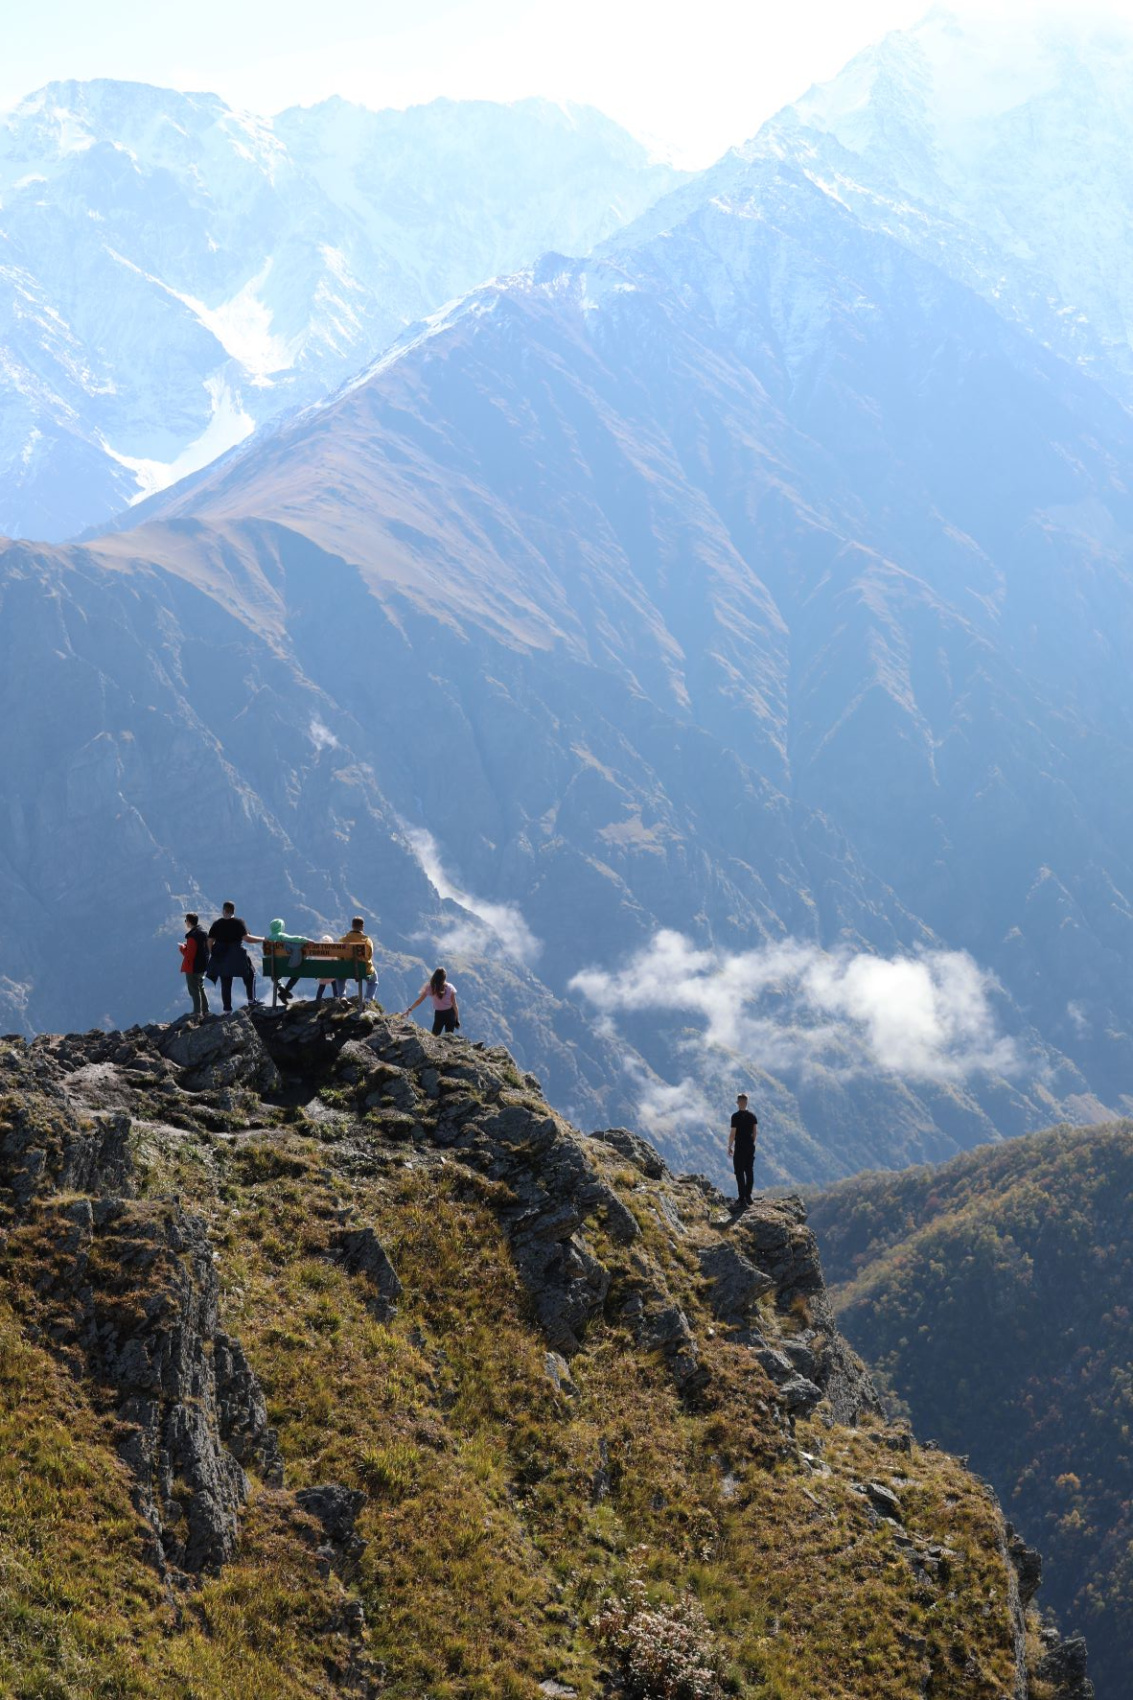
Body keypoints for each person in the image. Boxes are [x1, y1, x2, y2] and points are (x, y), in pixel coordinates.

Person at [206, 902, 262, 1013]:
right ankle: (251, 1001)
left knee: (226, 981)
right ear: (233, 910)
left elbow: (210, 941)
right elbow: (247, 938)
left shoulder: (217, 924)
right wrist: (263, 939)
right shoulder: (238, 923)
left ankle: (227, 1010)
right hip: (237, 955)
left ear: (224, 910)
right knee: (250, 974)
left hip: (221, 956)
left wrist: (212, 952)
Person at [404, 967, 460, 1035]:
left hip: (439, 1014)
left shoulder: (430, 987)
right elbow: (455, 1005)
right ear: (444, 977)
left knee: (434, 1035)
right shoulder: (450, 987)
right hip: (450, 1013)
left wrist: (410, 1009)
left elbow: (419, 1001)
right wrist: (457, 1019)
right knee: (449, 1037)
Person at [266, 917, 309, 1004]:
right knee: (296, 974)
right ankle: (285, 991)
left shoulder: (268, 939)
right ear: (281, 927)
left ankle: (281, 987)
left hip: (274, 967)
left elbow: (267, 955)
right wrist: (306, 940)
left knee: (274, 974)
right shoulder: (282, 936)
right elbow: (294, 939)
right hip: (288, 966)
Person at [728, 1093, 758, 1210]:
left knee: (739, 1172)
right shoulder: (752, 1116)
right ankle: (748, 1196)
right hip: (750, 1146)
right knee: (749, 1170)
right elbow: (755, 1133)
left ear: (738, 1103)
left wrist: (730, 1146)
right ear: (746, 1102)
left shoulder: (735, 1116)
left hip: (739, 1146)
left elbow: (732, 1133)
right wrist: (751, 1143)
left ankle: (742, 1198)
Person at [338, 917, 378, 1002]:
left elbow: (339, 956)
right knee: (373, 980)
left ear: (352, 926)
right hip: (365, 970)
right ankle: (367, 999)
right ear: (362, 927)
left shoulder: (343, 939)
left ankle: (342, 996)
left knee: (340, 976)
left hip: (347, 969)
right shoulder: (368, 941)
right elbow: (369, 956)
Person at [179, 912, 210, 1018]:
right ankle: (206, 1010)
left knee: (194, 989)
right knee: (201, 987)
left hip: (193, 967)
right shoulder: (203, 932)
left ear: (188, 921)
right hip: (203, 966)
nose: (185, 923)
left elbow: (189, 956)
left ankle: (197, 1012)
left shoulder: (192, 936)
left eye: (186, 921)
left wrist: (182, 948)